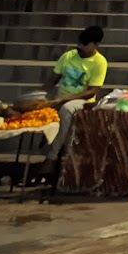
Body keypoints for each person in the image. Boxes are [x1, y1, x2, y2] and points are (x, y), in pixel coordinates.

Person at [42, 25, 107, 170]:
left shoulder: (99, 62)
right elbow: (53, 80)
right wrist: (41, 96)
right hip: (60, 98)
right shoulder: (68, 56)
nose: (79, 47)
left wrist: (63, 100)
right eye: (79, 43)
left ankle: (51, 157)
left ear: (96, 45)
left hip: (83, 102)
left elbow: (92, 91)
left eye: (84, 45)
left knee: (66, 109)